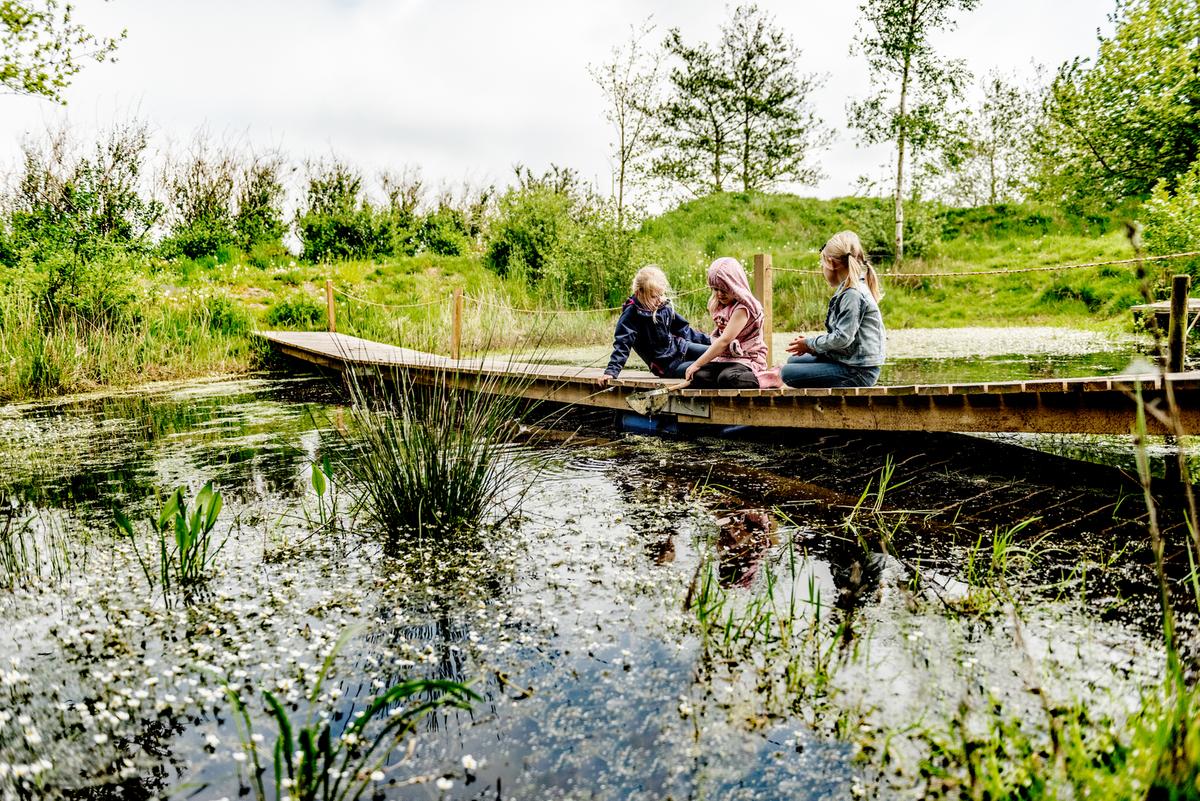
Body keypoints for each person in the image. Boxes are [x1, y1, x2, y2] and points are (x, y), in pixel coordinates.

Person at [782, 231, 885, 388]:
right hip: (849, 360)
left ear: (831, 263)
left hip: (859, 371)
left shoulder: (852, 294)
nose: (823, 269)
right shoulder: (850, 287)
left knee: (787, 373)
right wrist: (812, 348)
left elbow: (842, 338)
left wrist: (810, 344)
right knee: (794, 361)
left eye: (822, 264)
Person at [597, 265, 711, 386]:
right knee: (707, 368)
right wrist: (611, 371)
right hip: (669, 366)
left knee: (717, 353)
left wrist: (711, 341)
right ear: (639, 293)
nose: (660, 300)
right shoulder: (631, 314)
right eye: (654, 296)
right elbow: (622, 344)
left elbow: (684, 330)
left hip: (683, 348)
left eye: (661, 294)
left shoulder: (662, 307)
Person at [684, 257, 771, 389]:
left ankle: (768, 378)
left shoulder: (743, 309)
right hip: (726, 359)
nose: (719, 294)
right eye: (715, 289)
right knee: (699, 376)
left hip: (747, 359)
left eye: (724, 289)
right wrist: (698, 367)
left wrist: (697, 363)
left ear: (735, 285)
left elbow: (724, 341)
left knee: (729, 379)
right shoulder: (721, 306)